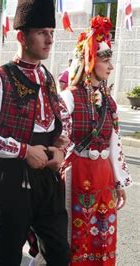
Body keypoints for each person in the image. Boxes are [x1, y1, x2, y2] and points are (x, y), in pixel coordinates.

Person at [0, 0, 72, 265]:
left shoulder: (47, 78)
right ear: (22, 37)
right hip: (13, 177)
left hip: (48, 174)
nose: (49, 39)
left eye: (51, 32)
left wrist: (60, 150)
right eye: (41, 32)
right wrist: (23, 151)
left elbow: (62, 121)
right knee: (6, 256)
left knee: (59, 252)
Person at [58, 16, 131, 265]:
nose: (111, 67)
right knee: (75, 234)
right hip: (77, 173)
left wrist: (119, 181)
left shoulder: (110, 102)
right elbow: (60, 142)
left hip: (103, 176)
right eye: (106, 60)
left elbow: (114, 143)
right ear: (90, 61)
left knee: (103, 232)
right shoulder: (68, 97)